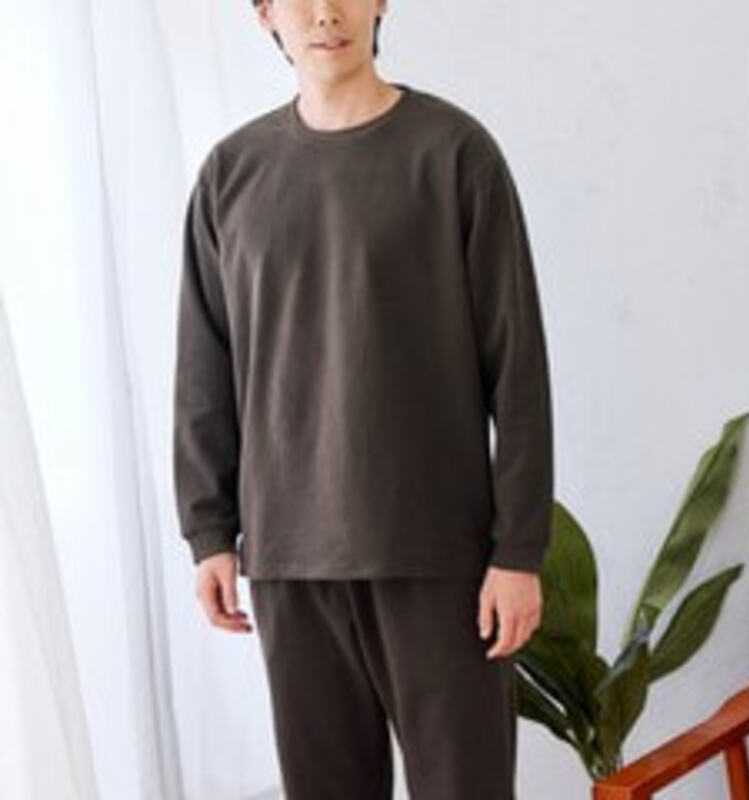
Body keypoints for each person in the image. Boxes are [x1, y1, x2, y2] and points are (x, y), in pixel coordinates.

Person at [172, 0, 554, 797]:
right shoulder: (230, 176)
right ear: (264, 15)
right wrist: (209, 531)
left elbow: (518, 368)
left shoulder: (454, 154)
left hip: (441, 557)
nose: (324, 14)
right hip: (289, 560)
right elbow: (205, 367)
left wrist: (518, 551)